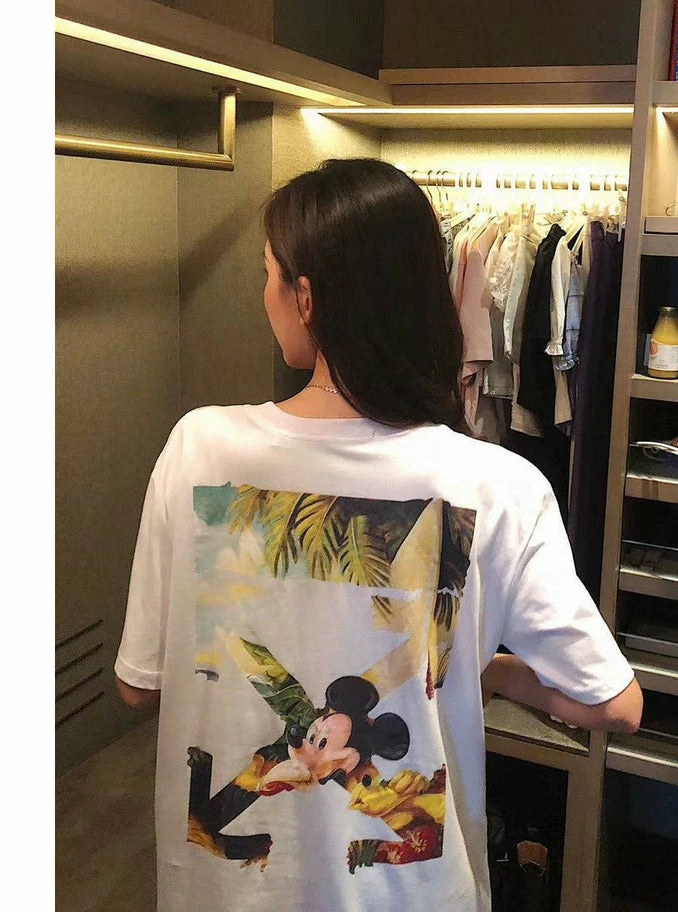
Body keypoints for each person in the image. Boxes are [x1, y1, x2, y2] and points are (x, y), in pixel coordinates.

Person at [114, 158, 643, 912]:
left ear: (306, 298)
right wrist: (490, 674)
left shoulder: (198, 450)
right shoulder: (498, 486)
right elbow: (616, 706)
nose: (264, 296)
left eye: (268, 276)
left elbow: (140, 686)